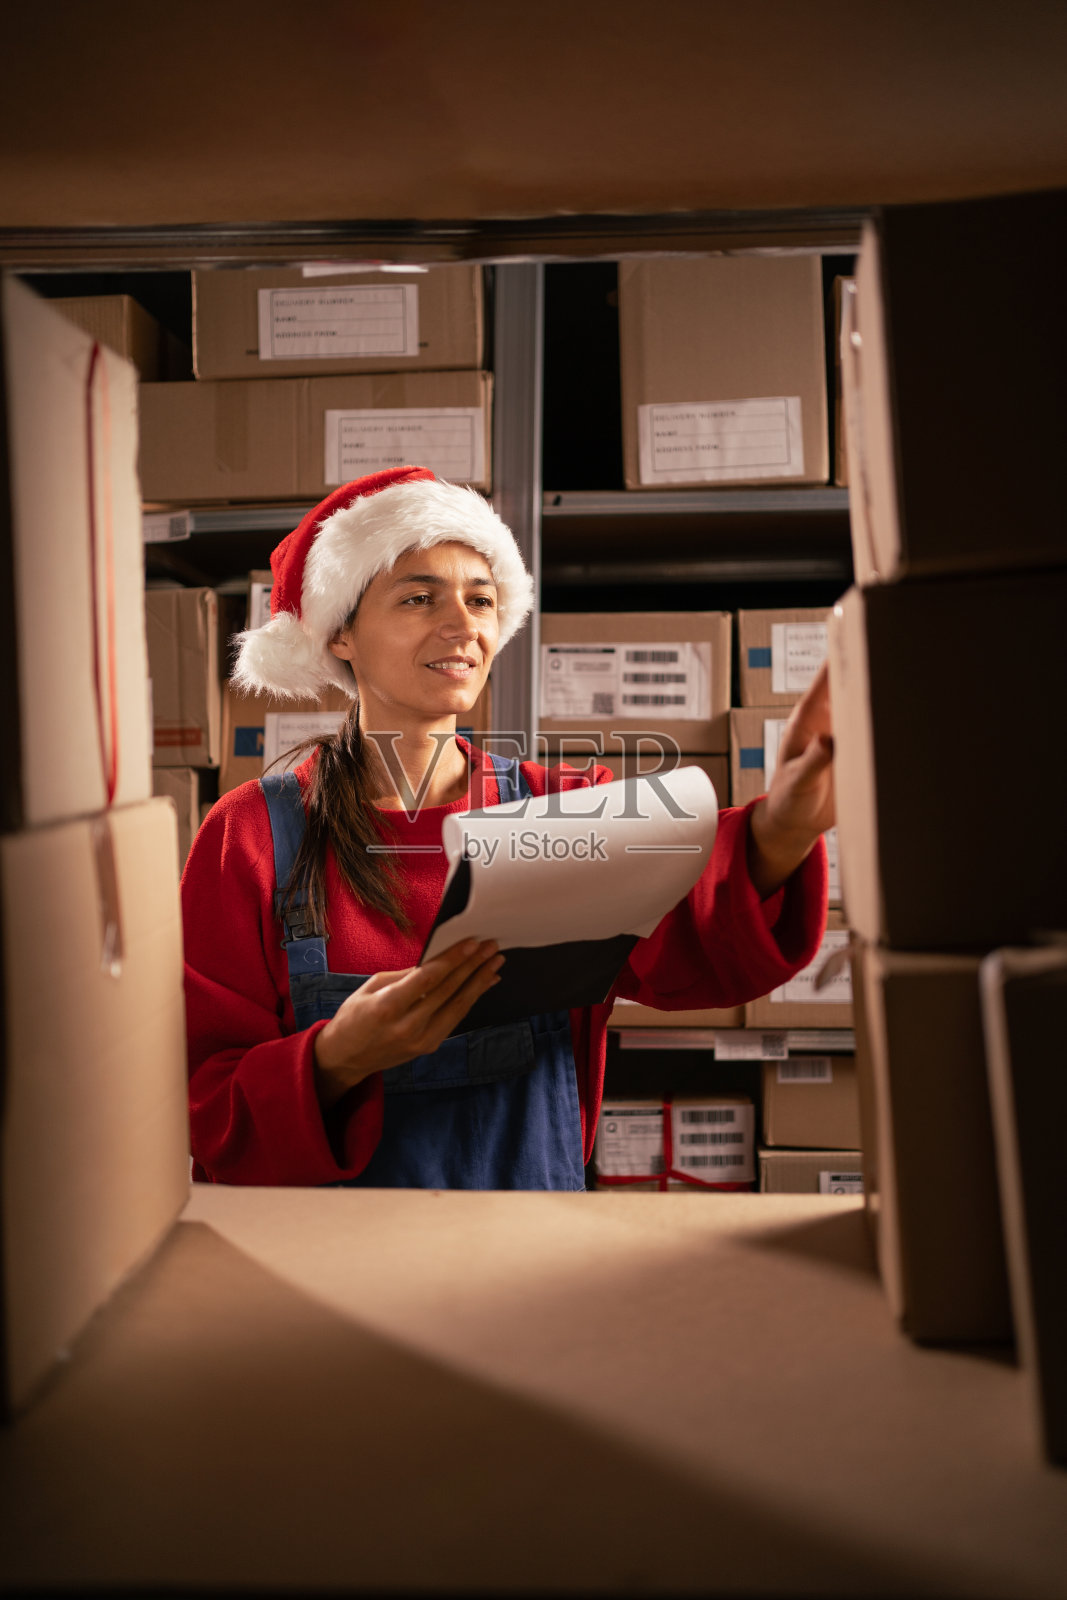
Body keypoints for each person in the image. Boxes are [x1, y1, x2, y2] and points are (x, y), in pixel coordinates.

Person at [182, 466, 833, 1189]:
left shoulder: (562, 809)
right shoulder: (250, 835)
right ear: (340, 634)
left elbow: (691, 938)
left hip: (530, 1257)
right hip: (321, 1271)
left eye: (481, 599)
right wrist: (337, 1058)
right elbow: (203, 1102)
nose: (463, 626)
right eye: (419, 598)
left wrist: (786, 824)